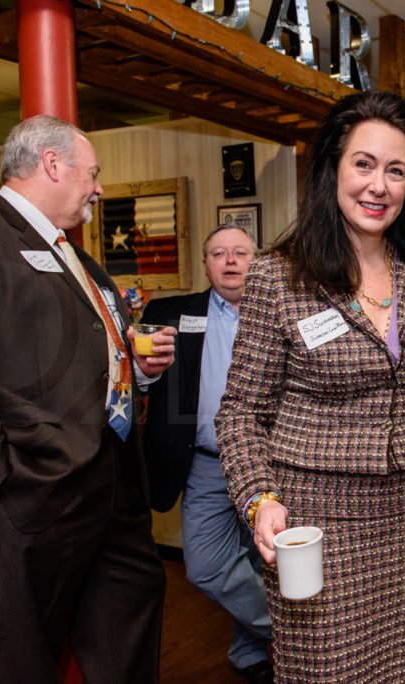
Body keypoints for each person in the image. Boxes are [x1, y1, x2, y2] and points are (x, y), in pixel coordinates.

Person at [215, 90, 405, 682]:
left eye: (396, 170)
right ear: (333, 169)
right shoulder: (278, 275)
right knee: (327, 671)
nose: (379, 185)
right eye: (363, 164)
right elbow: (240, 410)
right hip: (320, 527)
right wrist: (258, 498)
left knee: (402, 668)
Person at [0, 115, 176, 682]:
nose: (97, 187)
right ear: (51, 164)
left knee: (129, 629)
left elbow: (89, 351)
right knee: (27, 656)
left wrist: (135, 370)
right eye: (92, 173)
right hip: (32, 496)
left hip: (113, 483)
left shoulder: (77, 257)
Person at [141, 224, 272, 682]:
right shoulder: (170, 315)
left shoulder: (280, 315)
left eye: (240, 252)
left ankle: (251, 655)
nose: (231, 261)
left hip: (268, 465)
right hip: (205, 464)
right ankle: (290, 633)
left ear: (257, 261)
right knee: (206, 564)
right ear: (206, 264)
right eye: (219, 253)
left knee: (261, 562)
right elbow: (137, 372)